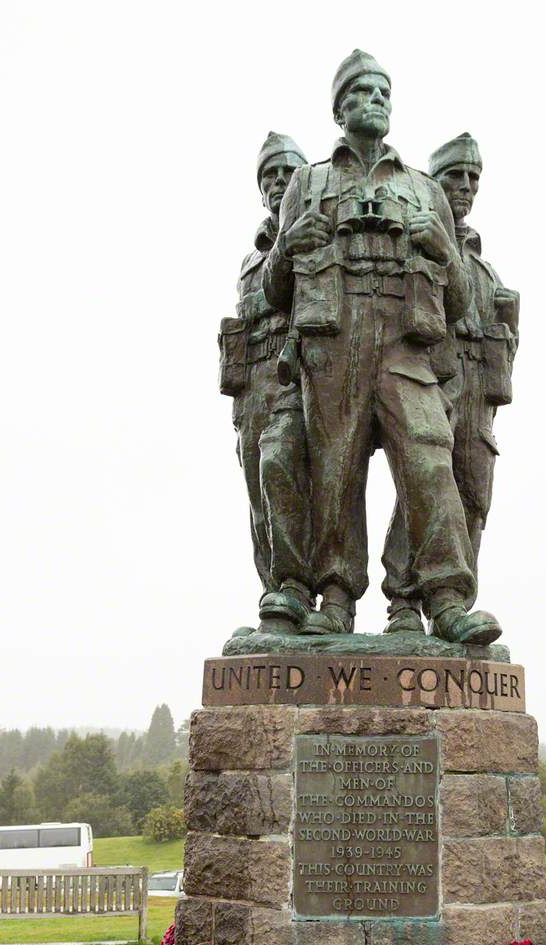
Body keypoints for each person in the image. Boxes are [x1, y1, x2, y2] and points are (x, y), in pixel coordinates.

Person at [263, 52, 501, 644]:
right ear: (340, 107)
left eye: (384, 94)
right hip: (334, 340)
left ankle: (446, 598)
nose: (376, 101)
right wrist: (288, 245)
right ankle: (336, 596)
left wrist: (443, 252)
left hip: (404, 342)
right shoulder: (308, 182)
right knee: (334, 468)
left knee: (429, 459)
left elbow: (465, 301)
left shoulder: (424, 190)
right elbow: (274, 292)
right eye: (364, 92)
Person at [381, 133, 520, 633]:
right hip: (430, 384)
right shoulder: (410, 242)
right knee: (420, 488)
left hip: (478, 403)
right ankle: (403, 602)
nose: (464, 187)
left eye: (472, 178)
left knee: (472, 502)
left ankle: (454, 609)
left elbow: (507, 345)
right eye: (454, 177)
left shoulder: (485, 269)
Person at [218, 131, 314, 631]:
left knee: (284, 471)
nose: (278, 183)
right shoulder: (251, 257)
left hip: (295, 373)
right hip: (250, 381)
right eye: (269, 176)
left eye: (286, 173)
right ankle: (273, 598)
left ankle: (299, 587)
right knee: (259, 497)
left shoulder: (314, 231)